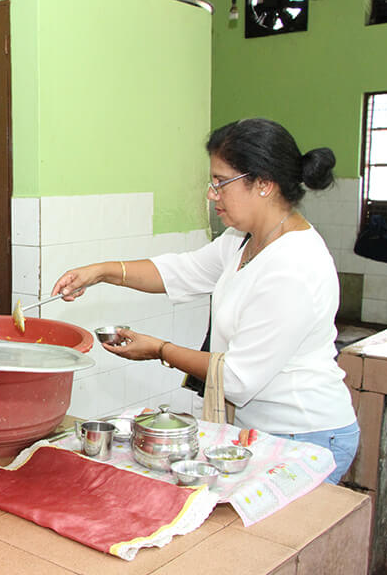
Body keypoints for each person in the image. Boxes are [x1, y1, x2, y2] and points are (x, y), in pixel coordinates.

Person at [50, 118, 358, 484]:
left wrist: (159, 349)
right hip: (258, 430)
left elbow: (238, 379)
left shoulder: (294, 265)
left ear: (263, 183)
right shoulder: (243, 239)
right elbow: (180, 272)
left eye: (220, 182)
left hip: (307, 434)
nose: (212, 194)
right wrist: (102, 271)